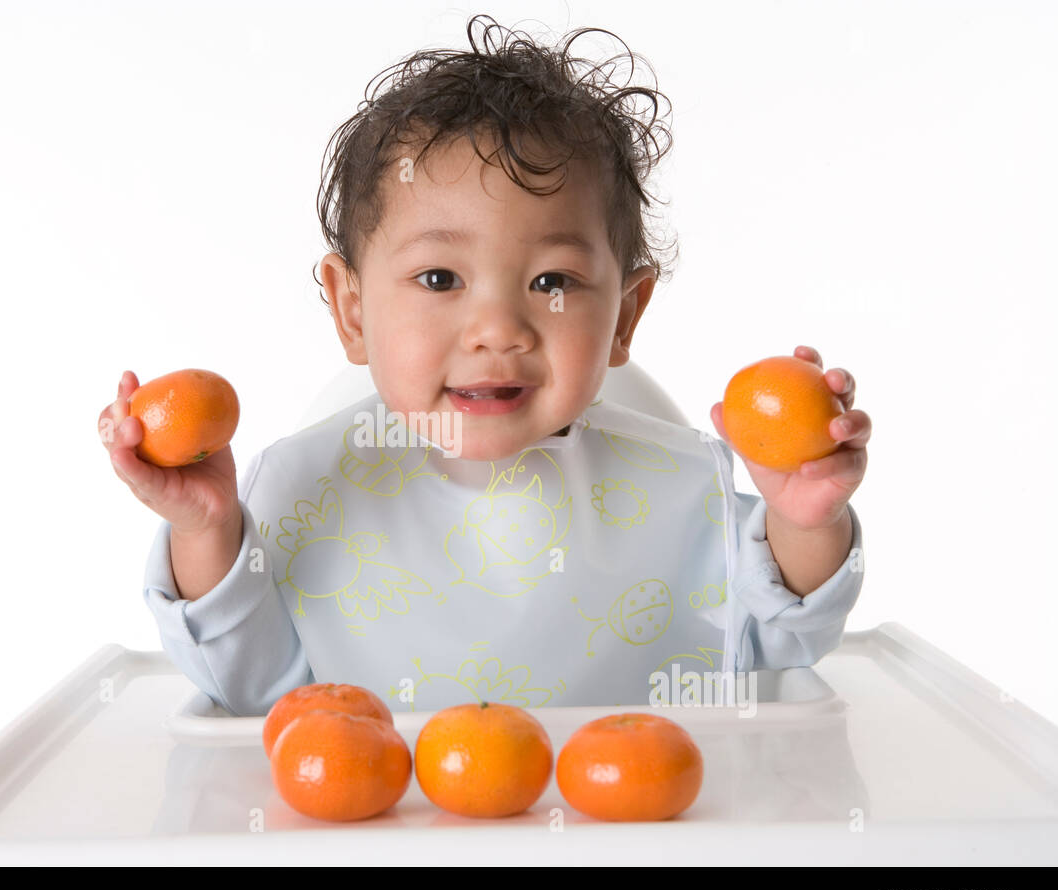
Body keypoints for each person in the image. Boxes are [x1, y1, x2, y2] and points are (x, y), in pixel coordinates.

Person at [98, 16, 871, 716]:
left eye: (553, 283)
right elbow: (246, 688)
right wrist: (204, 528)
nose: (499, 330)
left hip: (627, 825)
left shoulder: (670, 485)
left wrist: (806, 520)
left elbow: (774, 649)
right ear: (353, 309)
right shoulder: (307, 488)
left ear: (624, 317)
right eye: (440, 280)